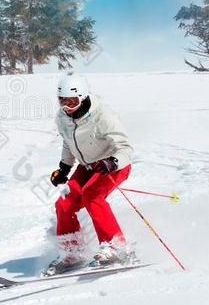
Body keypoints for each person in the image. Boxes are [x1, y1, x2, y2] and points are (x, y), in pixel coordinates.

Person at [46, 74, 134, 275]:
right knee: (64, 203)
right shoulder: (62, 118)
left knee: (92, 196)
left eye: (72, 101)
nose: (67, 107)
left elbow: (125, 148)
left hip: (113, 165)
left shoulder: (104, 116)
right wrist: (64, 168)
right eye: (63, 101)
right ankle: (72, 253)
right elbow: (69, 143)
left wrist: (112, 162)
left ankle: (116, 247)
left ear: (83, 97)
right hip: (87, 166)